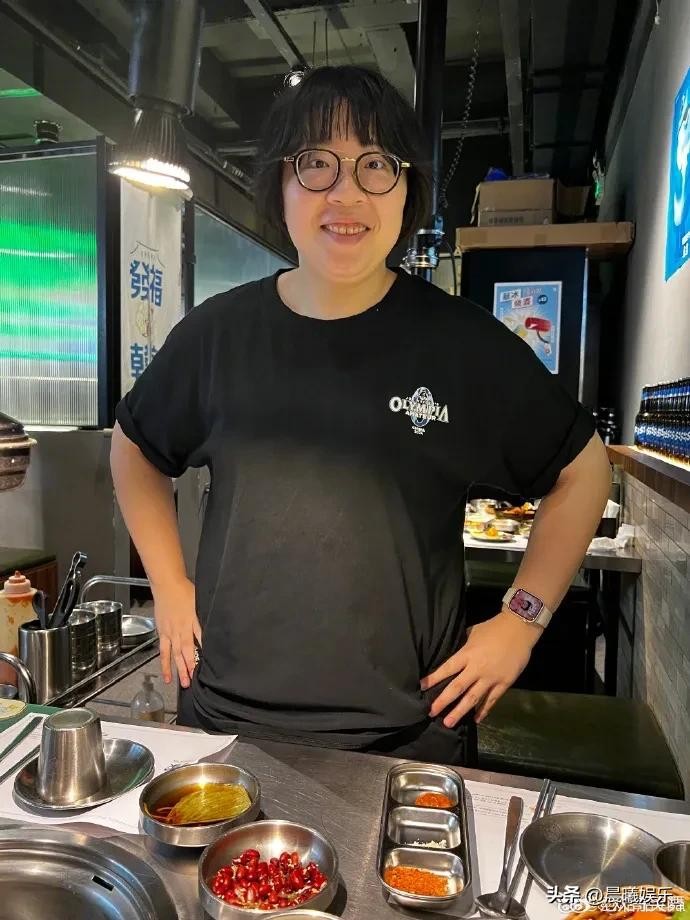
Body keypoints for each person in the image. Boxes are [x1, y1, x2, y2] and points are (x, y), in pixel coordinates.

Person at [111, 65, 611, 764]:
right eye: (316, 163)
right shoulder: (217, 335)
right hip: (225, 717)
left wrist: (521, 620)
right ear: (280, 184)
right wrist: (167, 585)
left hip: (408, 734)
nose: (345, 193)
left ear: (407, 190)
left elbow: (584, 472)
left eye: (375, 164)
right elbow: (134, 446)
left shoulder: (463, 344)